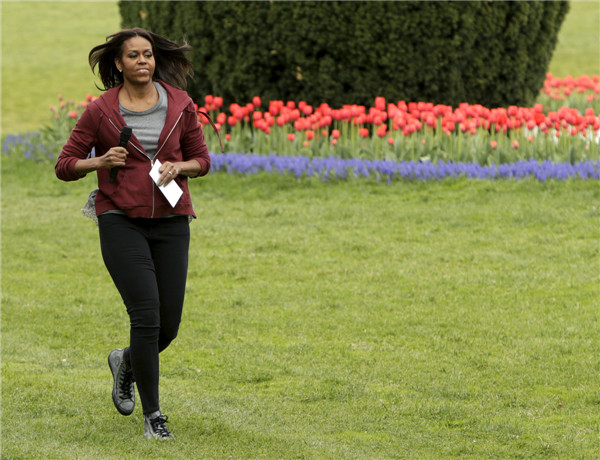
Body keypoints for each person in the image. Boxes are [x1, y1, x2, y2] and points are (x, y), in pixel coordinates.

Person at [55, 28, 213, 440]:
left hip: (172, 218)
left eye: (148, 55)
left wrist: (181, 168)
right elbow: (65, 164)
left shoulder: (181, 104)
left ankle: (125, 360)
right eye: (133, 56)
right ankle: (154, 415)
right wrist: (100, 161)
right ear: (119, 64)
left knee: (169, 325)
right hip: (120, 217)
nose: (143, 61)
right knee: (145, 316)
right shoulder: (100, 110)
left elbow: (203, 160)